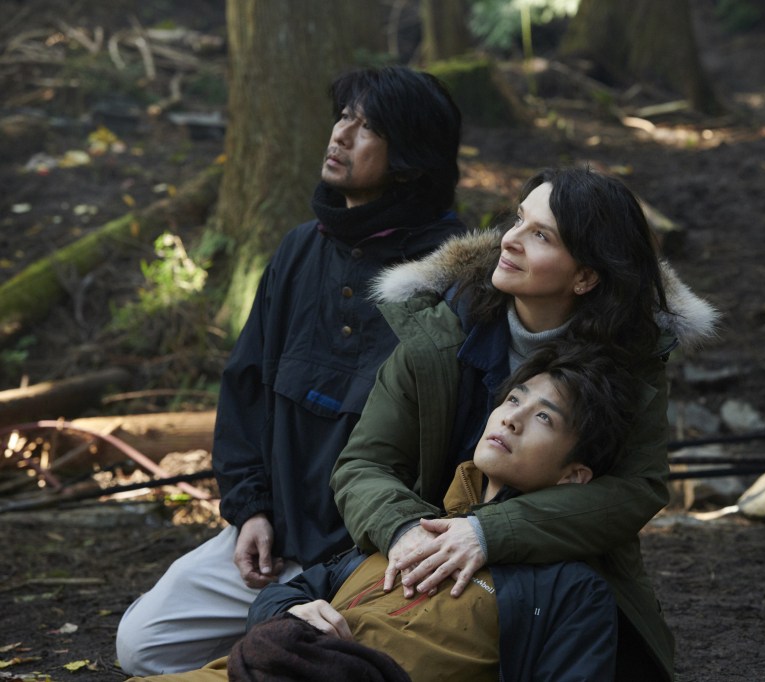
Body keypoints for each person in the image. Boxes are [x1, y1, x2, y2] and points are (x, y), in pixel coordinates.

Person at [116, 65, 467, 676]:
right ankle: (271, 635)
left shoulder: (451, 275)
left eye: (366, 128)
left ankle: (275, 644)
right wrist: (250, 510)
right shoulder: (300, 248)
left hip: (375, 550)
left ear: (409, 158)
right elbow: (245, 389)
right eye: (343, 117)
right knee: (141, 644)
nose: (340, 135)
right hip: (274, 540)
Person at [331, 166, 719, 680]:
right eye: (518, 220)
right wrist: (405, 531)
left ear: (586, 275)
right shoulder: (439, 332)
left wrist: (487, 531)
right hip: (418, 562)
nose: (509, 241)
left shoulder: (633, 358)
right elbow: (364, 463)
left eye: (540, 235)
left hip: (563, 582)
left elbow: (636, 489)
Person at [127, 341, 642, 682]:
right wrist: (288, 612)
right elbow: (290, 594)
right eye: (512, 400)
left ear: (574, 476)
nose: (511, 420)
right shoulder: (411, 524)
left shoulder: (570, 588)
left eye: (543, 418)